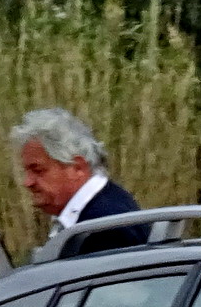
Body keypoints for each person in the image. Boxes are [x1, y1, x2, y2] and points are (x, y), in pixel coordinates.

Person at [10, 108, 149, 255]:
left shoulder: (100, 230)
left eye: (38, 170)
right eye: (27, 172)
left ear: (77, 168)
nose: (28, 182)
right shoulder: (113, 200)